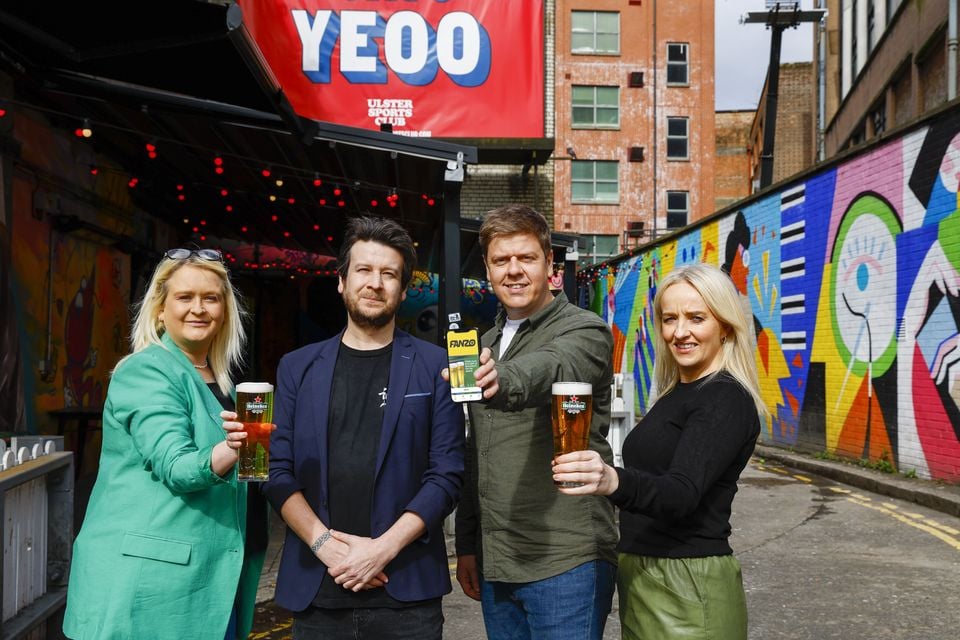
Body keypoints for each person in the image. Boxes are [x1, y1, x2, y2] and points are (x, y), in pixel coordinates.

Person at [262, 216, 464, 640]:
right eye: (364, 270)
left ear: (403, 289)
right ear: (342, 281)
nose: (375, 283)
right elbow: (276, 470)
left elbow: (446, 475)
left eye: (389, 273)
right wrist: (326, 547)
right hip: (317, 589)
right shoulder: (297, 367)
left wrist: (381, 550)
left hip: (406, 593)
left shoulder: (439, 367)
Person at [553, 262, 769, 640]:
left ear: (725, 326)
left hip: (687, 585)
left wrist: (611, 479)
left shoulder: (724, 397)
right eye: (670, 319)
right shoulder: (679, 392)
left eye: (696, 318)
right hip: (646, 577)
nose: (679, 332)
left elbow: (681, 494)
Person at [63, 247, 263, 640]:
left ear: (225, 310)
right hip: (154, 589)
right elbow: (176, 466)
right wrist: (232, 448)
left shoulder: (217, 380)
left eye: (210, 298)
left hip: (209, 579)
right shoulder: (148, 370)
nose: (198, 309)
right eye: (184, 297)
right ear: (159, 309)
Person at [454, 204, 618, 640]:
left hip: (567, 559)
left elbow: (554, 367)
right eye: (500, 260)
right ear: (487, 271)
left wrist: (502, 378)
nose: (513, 271)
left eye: (526, 258)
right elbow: (477, 452)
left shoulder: (585, 331)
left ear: (550, 265)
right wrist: (467, 544)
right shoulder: (483, 343)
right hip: (497, 559)